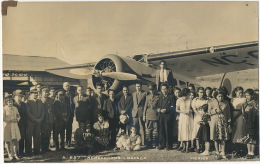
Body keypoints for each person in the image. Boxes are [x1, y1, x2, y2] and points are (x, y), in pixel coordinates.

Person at [209, 91, 231, 159]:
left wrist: (229, 122)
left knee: (223, 137)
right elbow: (209, 112)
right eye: (219, 96)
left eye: (222, 96)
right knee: (215, 137)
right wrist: (215, 111)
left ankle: (223, 152)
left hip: (223, 121)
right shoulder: (211, 103)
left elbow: (228, 113)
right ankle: (217, 152)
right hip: (215, 121)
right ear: (216, 96)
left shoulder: (226, 103)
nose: (220, 98)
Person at [240, 89, 259, 159]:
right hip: (246, 121)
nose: (247, 97)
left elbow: (256, 112)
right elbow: (243, 113)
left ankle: (252, 152)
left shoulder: (255, 103)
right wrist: (242, 106)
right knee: (247, 137)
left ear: (252, 95)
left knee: (252, 137)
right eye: (246, 95)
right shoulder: (245, 103)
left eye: (248, 95)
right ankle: (249, 152)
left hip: (253, 122)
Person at [25, 88, 44, 156]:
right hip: (30, 122)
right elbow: (28, 112)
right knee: (29, 137)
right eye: (34, 93)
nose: (36, 94)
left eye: (36, 93)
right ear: (30, 94)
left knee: (37, 137)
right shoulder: (28, 102)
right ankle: (29, 152)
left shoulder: (40, 101)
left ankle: (37, 151)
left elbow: (43, 111)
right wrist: (34, 119)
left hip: (38, 122)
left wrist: (40, 119)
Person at [157, 83, 175, 150]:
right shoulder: (160, 97)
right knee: (162, 130)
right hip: (161, 116)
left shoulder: (171, 96)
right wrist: (158, 109)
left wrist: (166, 110)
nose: (164, 90)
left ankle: (169, 145)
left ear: (167, 89)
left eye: (165, 89)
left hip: (168, 116)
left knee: (168, 130)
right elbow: (158, 105)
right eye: (162, 89)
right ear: (161, 90)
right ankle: (162, 144)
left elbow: (173, 107)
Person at [176, 88, 193, 153]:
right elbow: (176, 109)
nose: (189, 95)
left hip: (189, 117)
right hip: (182, 117)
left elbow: (192, 109)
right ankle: (183, 147)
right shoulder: (179, 100)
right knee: (182, 131)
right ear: (185, 93)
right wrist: (183, 112)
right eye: (189, 94)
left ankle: (187, 148)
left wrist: (190, 111)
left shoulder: (190, 100)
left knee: (188, 131)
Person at [4, 96, 21, 160]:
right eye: (8, 102)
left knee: (15, 140)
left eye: (11, 101)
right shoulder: (4, 108)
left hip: (15, 125)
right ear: (6, 102)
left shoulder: (15, 108)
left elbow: (18, 116)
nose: (10, 103)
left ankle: (15, 154)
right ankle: (9, 154)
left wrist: (17, 119)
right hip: (7, 126)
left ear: (12, 102)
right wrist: (10, 120)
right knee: (8, 140)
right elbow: (3, 118)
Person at [191, 87, 208, 153]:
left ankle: (203, 146)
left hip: (204, 117)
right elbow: (194, 109)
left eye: (203, 92)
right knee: (197, 130)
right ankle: (197, 147)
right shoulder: (195, 100)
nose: (202, 93)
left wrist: (204, 115)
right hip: (197, 116)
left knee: (203, 130)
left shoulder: (206, 100)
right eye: (200, 92)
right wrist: (200, 115)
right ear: (198, 92)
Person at [143, 84, 160, 148]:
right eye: (150, 90)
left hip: (155, 115)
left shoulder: (158, 96)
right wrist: (144, 115)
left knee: (156, 130)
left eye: (153, 89)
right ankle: (149, 144)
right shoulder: (147, 96)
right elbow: (145, 106)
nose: (152, 91)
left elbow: (159, 106)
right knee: (149, 130)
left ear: (155, 89)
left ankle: (156, 144)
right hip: (148, 114)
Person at [231, 86, 246, 155]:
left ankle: (241, 148)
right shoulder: (232, 99)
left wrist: (235, 117)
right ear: (235, 92)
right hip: (233, 115)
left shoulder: (244, 99)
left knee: (239, 131)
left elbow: (241, 110)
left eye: (242, 93)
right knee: (234, 131)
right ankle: (235, 148)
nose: (241, 94)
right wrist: (232, 118)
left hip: (239, 116)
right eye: (239, 92)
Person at [40, 86, 55, 153]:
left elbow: (52, 110)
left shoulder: (51, 100)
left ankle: (47, 147)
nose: (46, 93)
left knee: (48, 134)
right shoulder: (40, 100)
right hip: (43, 120)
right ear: (42, 93)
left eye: (47, 92)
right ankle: (42, 148)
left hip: (49, 120)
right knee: (43, 134)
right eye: (45, 92)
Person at [12, 90, 26, 157]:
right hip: (15, 124)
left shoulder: (23, 104)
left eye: (21, 97)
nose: (19, 98)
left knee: (22, 137)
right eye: (18, 97)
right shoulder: (13, 105)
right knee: (15, 139)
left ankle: (21, 152)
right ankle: (15, 153)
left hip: (23, 124)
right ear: (14, 97)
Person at [63, 82, 75, 147]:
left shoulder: (72, 94)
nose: (68, 87)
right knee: (62, 128)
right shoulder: (61, 94)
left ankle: (68, 141)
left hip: (70, 113)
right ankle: (62, 142)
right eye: (66, 86)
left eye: (68, 86)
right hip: (64, 113)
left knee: (69, 128)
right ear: (63, 87)